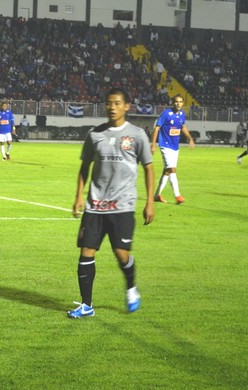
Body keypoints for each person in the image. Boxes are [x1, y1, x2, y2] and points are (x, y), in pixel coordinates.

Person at [69, 87, 155, 319]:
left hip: (123, 206)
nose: (112, 107)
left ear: (126, 106)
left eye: (117, 103)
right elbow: (84, 167)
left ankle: (131, 287)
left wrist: (150, 202)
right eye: (109, 103)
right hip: (95, 205)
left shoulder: (137, 135)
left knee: (121, 254)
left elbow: (148, 167)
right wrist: (78, 196)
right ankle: (86, 305)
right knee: (86, 252)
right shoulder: (95, 134)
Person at [150, 94, 195, 204]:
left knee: (167, 171)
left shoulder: (182, 114)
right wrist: (153, 144)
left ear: (183, 104)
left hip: (175, 146)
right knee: (172, 170)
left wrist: (190, 138)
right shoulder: (166, 114)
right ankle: (178, 196)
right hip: (165, 145)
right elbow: (157, 128)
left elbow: (182, 126)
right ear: (172, 102)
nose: (178, 104)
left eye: (180, 102)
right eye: (176, 101)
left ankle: (156, 195)